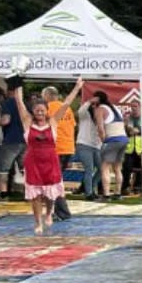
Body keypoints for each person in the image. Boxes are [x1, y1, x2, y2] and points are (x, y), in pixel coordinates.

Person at [13, 87, 65, 235]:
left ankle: (49, 212)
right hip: (33, 161)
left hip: (51, 161)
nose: (40, 113)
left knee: (49, 194)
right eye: (37, 110)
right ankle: (37, 221)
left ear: (47, 111)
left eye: (42, 110)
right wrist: (18, 86)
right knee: (35, 194)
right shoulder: (28, 122)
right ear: (33, 112)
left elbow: (66, 104)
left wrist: (77, 87)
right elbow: (19, 103)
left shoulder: (53, 122)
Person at [42, 81, 83, 223]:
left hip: (55, 148)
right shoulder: (67, 109)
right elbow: (72, 126)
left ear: (47, 96)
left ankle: (60, 211)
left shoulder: (47, 108)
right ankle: (60, 211)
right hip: (68, 147)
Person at [94, 91, 129, 198]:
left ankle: (106, 194)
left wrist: (103, 140)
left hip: (113, 140)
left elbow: (100, 128)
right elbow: (124, 122)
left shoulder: (100, 109)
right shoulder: (115, 107)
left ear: (97, 99)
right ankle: (118, 193)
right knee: (117, 168)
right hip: (123, 139)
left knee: (104, 167)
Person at [0, 82, 27, 200]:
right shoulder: (26, 103)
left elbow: (5, 120)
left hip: (11, 140)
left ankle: (3, 195)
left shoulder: (8, 103)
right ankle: (28, 194)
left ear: (9, 92)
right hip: (25, 140)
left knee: (3, 169)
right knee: (25, 169)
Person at [75, 89, 104, 198]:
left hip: (96, 146)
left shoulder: (101, 116)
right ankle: (89, 193)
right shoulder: (86, 115)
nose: (95, 106)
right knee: (89, 169)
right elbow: (80, 111)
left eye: (97, 105)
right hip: (84, 144)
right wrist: (89, 101)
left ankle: (91, 188)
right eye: (93, 105)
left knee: (102, 169)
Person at [122, 103, 142, 195]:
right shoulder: (128, 119)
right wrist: (127, 128)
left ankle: (138, 188)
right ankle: (125, 187)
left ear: (140, 108)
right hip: (130, 149)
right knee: (126, 168)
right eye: (132, 107)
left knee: (141, 169)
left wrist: (139, 130)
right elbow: (125, 133)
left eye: (136, 106)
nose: (134, 108)